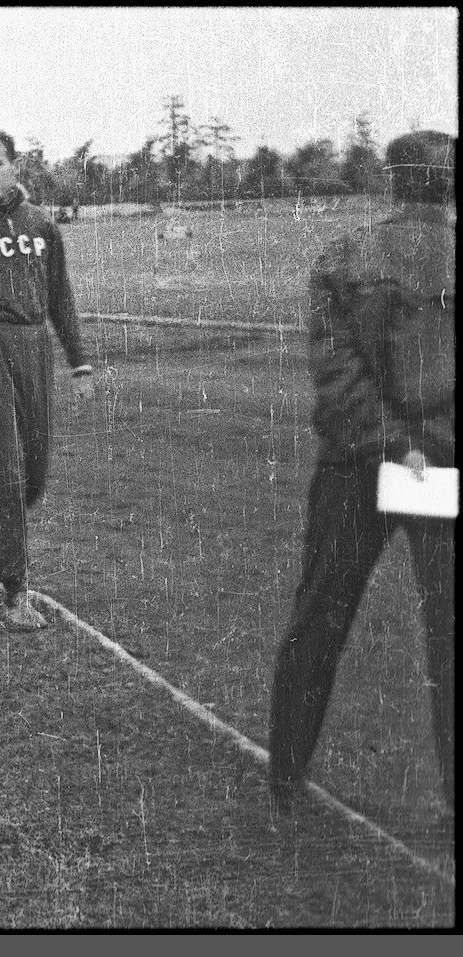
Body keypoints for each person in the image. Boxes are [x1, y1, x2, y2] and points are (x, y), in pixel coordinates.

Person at [268, 130, 455, 816]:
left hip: (358, 463)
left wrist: (395, 444)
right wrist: (424, 445)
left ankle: (286, 777)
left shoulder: (343, 256)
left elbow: (338, 376)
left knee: (320, 615)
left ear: (392, 180)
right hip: (441, 464)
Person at [0, 127, 95, 631]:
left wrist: (79, 362)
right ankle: (15, 594)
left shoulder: (42, 226)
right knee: (4, 473)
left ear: (14, 165)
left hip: (34, 347)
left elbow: (60, 297)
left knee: (34, 477)